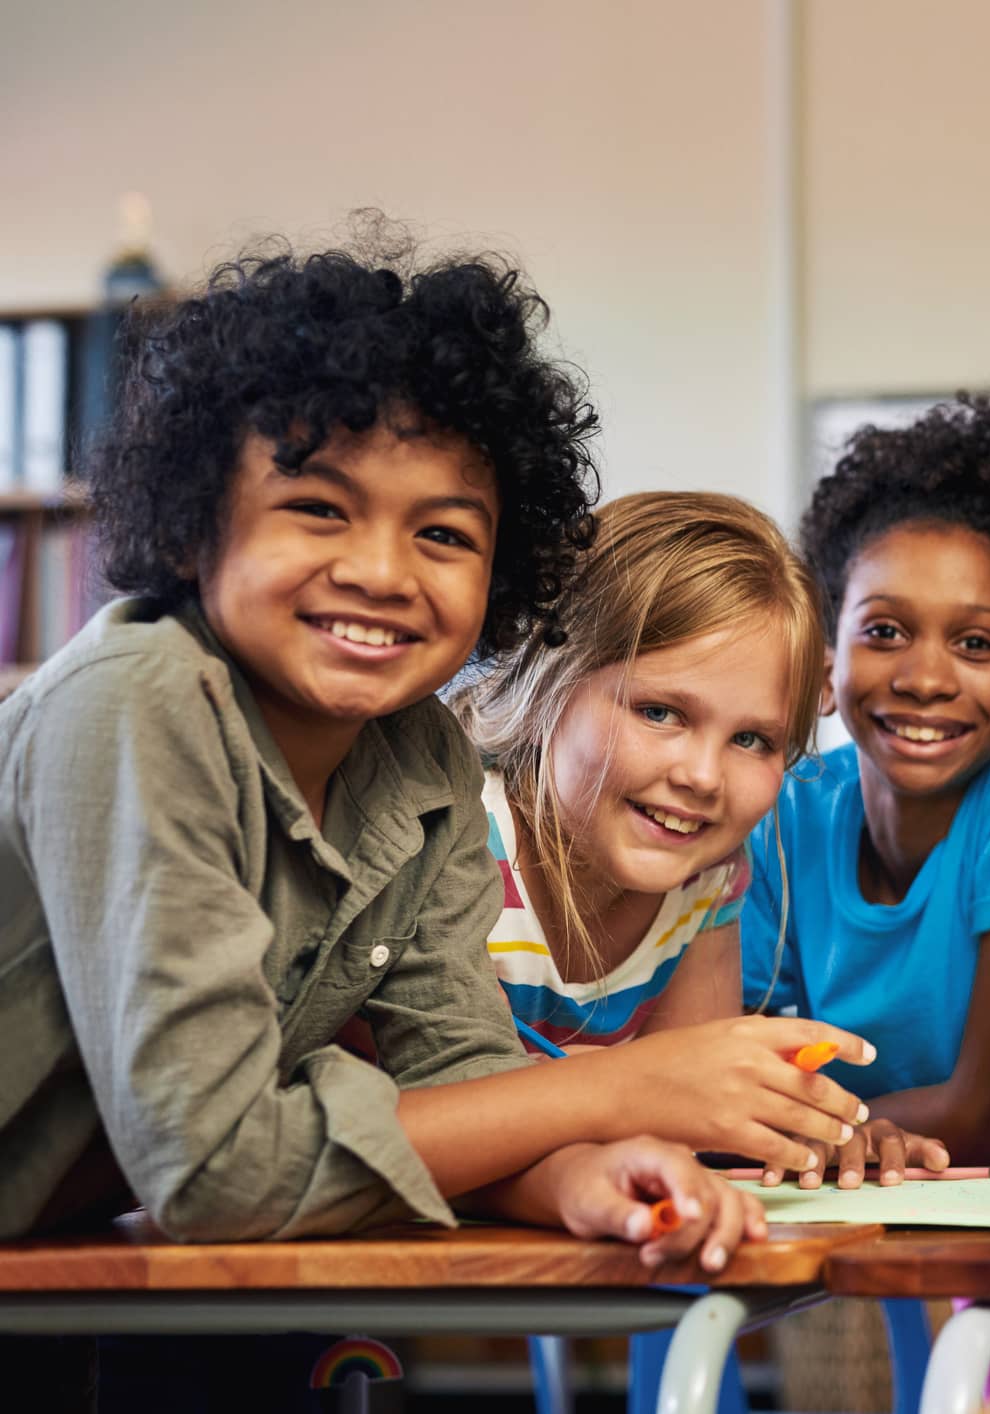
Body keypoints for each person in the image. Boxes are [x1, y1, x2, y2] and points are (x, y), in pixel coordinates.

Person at [0, 229, 773, 1270]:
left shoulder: (423, 762)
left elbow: (458, 1071)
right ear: (194, 528)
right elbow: (215, 1172)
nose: (380, 570)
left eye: (444, 534)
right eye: (317, 508)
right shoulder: (139, 699)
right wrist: (623, 1086)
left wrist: (580, 1175)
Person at [741, 394, 990, 1187]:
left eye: (975, 643)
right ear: (827, 663)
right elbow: (727, 1082)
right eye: (884, 631)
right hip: (869, 1189)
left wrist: (809, 1129)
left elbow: (989, 1105)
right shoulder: (786, 811)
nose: (924, 678)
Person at [457, 490, 875, 1177]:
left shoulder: (706, 877)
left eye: (751, 738)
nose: (704, 776)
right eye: (659, 712)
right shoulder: (462, 840)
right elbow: (433, 1106)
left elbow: (690, 1120)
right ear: (548, 680)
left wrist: (821, 1130)